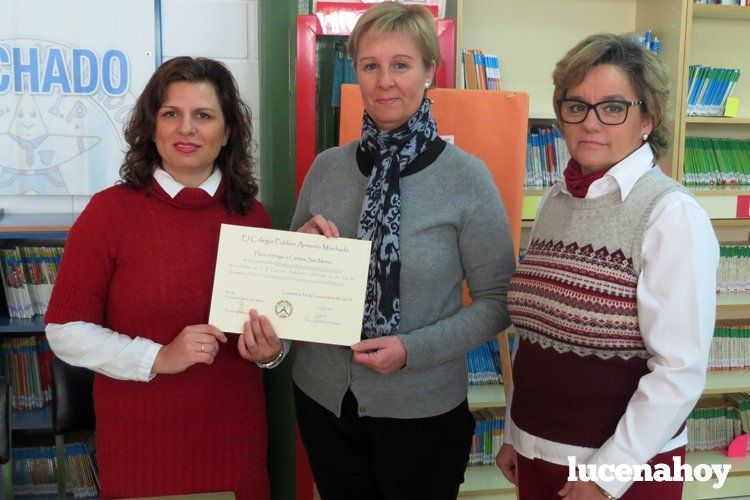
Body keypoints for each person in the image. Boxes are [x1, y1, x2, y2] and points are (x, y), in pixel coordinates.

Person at [277, 2, 514, 498]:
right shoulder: (327, 168)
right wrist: (297, 257)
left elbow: (498, 302)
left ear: (430, 71)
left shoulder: (467, 179)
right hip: (324, 400)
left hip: (421, 411)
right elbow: (291, 283)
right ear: (357, 72)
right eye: (371, 65)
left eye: (401, 65)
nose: (385, 80)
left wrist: (413, 349)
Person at [45, 57, 285, 499]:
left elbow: (273, 336)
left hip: (234, 442)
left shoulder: (252, 216)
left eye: (204, 115)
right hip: (142, 448)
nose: (186, 129)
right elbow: (65, 331)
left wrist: (270, 353)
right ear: (151, 127)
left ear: (227, 131)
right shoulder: (108, 213)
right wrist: (159, 357)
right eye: (171, 114)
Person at [495, 34, 718, 500]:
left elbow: (679, 370)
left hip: (620, 473)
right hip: (537, 454)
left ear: (646, 119)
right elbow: (535, 335)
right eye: (576, 105)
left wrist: (605, 477)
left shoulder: (670, 214)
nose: (590, 123)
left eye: (613, 107)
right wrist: (516, 433)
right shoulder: (556, 201)